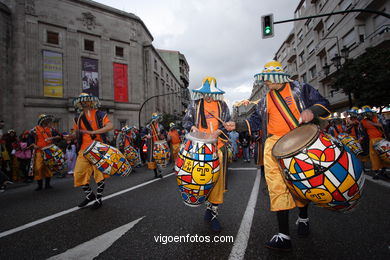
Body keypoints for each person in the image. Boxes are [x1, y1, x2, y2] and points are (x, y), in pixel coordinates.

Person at [233, 61, 331, 250]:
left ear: (278, 77)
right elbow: (254, 120)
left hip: (300, 142)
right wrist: (235, 126)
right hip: (273, 145)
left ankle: (303, 217)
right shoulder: (265, 100)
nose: (266, 84)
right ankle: (283, 235)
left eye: (268, 80)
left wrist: (312, 111)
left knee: (300, 182)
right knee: (276, 187)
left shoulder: (301, 89)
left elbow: (324, 103)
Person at [182, 76, 235, 232]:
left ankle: (213, 213)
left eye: (210, 93)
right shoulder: (195, 105)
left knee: (217, 182)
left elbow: (228, 123)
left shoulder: (222, 105)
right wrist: (192, 128)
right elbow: (186, 121)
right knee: (202, 180)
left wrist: (218, 132)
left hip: (218, 146)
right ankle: (208, 207)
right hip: (199, 148)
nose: (208, 96)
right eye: (205, 93)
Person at [64, 93, 113, 209]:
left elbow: (110, 126)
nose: (84, 103)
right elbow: (76, 133)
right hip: (83, 150)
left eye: (86, 101)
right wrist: (70, 137)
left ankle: (99, 199)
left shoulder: (100, 114)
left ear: (91, 102)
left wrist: (93, 132)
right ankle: (90, 195)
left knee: (99, 175)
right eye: (82, 102)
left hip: (97, 148)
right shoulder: (78, 118)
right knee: (78, 174)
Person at [28, 115, 61, 190]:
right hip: (39, 151)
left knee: (48, 167)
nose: (48, 121)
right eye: (46, 120)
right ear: (42, 121)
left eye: (48, 120)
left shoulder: (51, 129)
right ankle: (39, 185)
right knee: (38, 168)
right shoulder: (34, 130)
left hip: (49, 151)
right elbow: (29, 139)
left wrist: (54, 137)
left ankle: (47, 184)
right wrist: (33, 145)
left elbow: (59, 136)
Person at [360, 105, 389, 180]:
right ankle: (376, 173)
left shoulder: (377, 118)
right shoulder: (363, 121)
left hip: (380, 139)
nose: (367, 115)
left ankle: (383, 172)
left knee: (383, 156)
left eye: (368, 113)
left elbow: (384, 125)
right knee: (374, 157)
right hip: (372, 141)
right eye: (366, 113)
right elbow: (362, 131)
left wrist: (374, 124)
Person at [141, 113, 166, 178]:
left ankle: (160, 173)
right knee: (153, 159)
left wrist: (162, 135)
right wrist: (146, 135)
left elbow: (164, 133)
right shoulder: (148, 127)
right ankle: (155, 173)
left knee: (159, 158)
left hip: (159, 144)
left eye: (157, 119)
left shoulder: (160, 126)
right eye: (156, 119)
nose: (157, 120)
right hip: (152, 145)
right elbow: (142, 133)